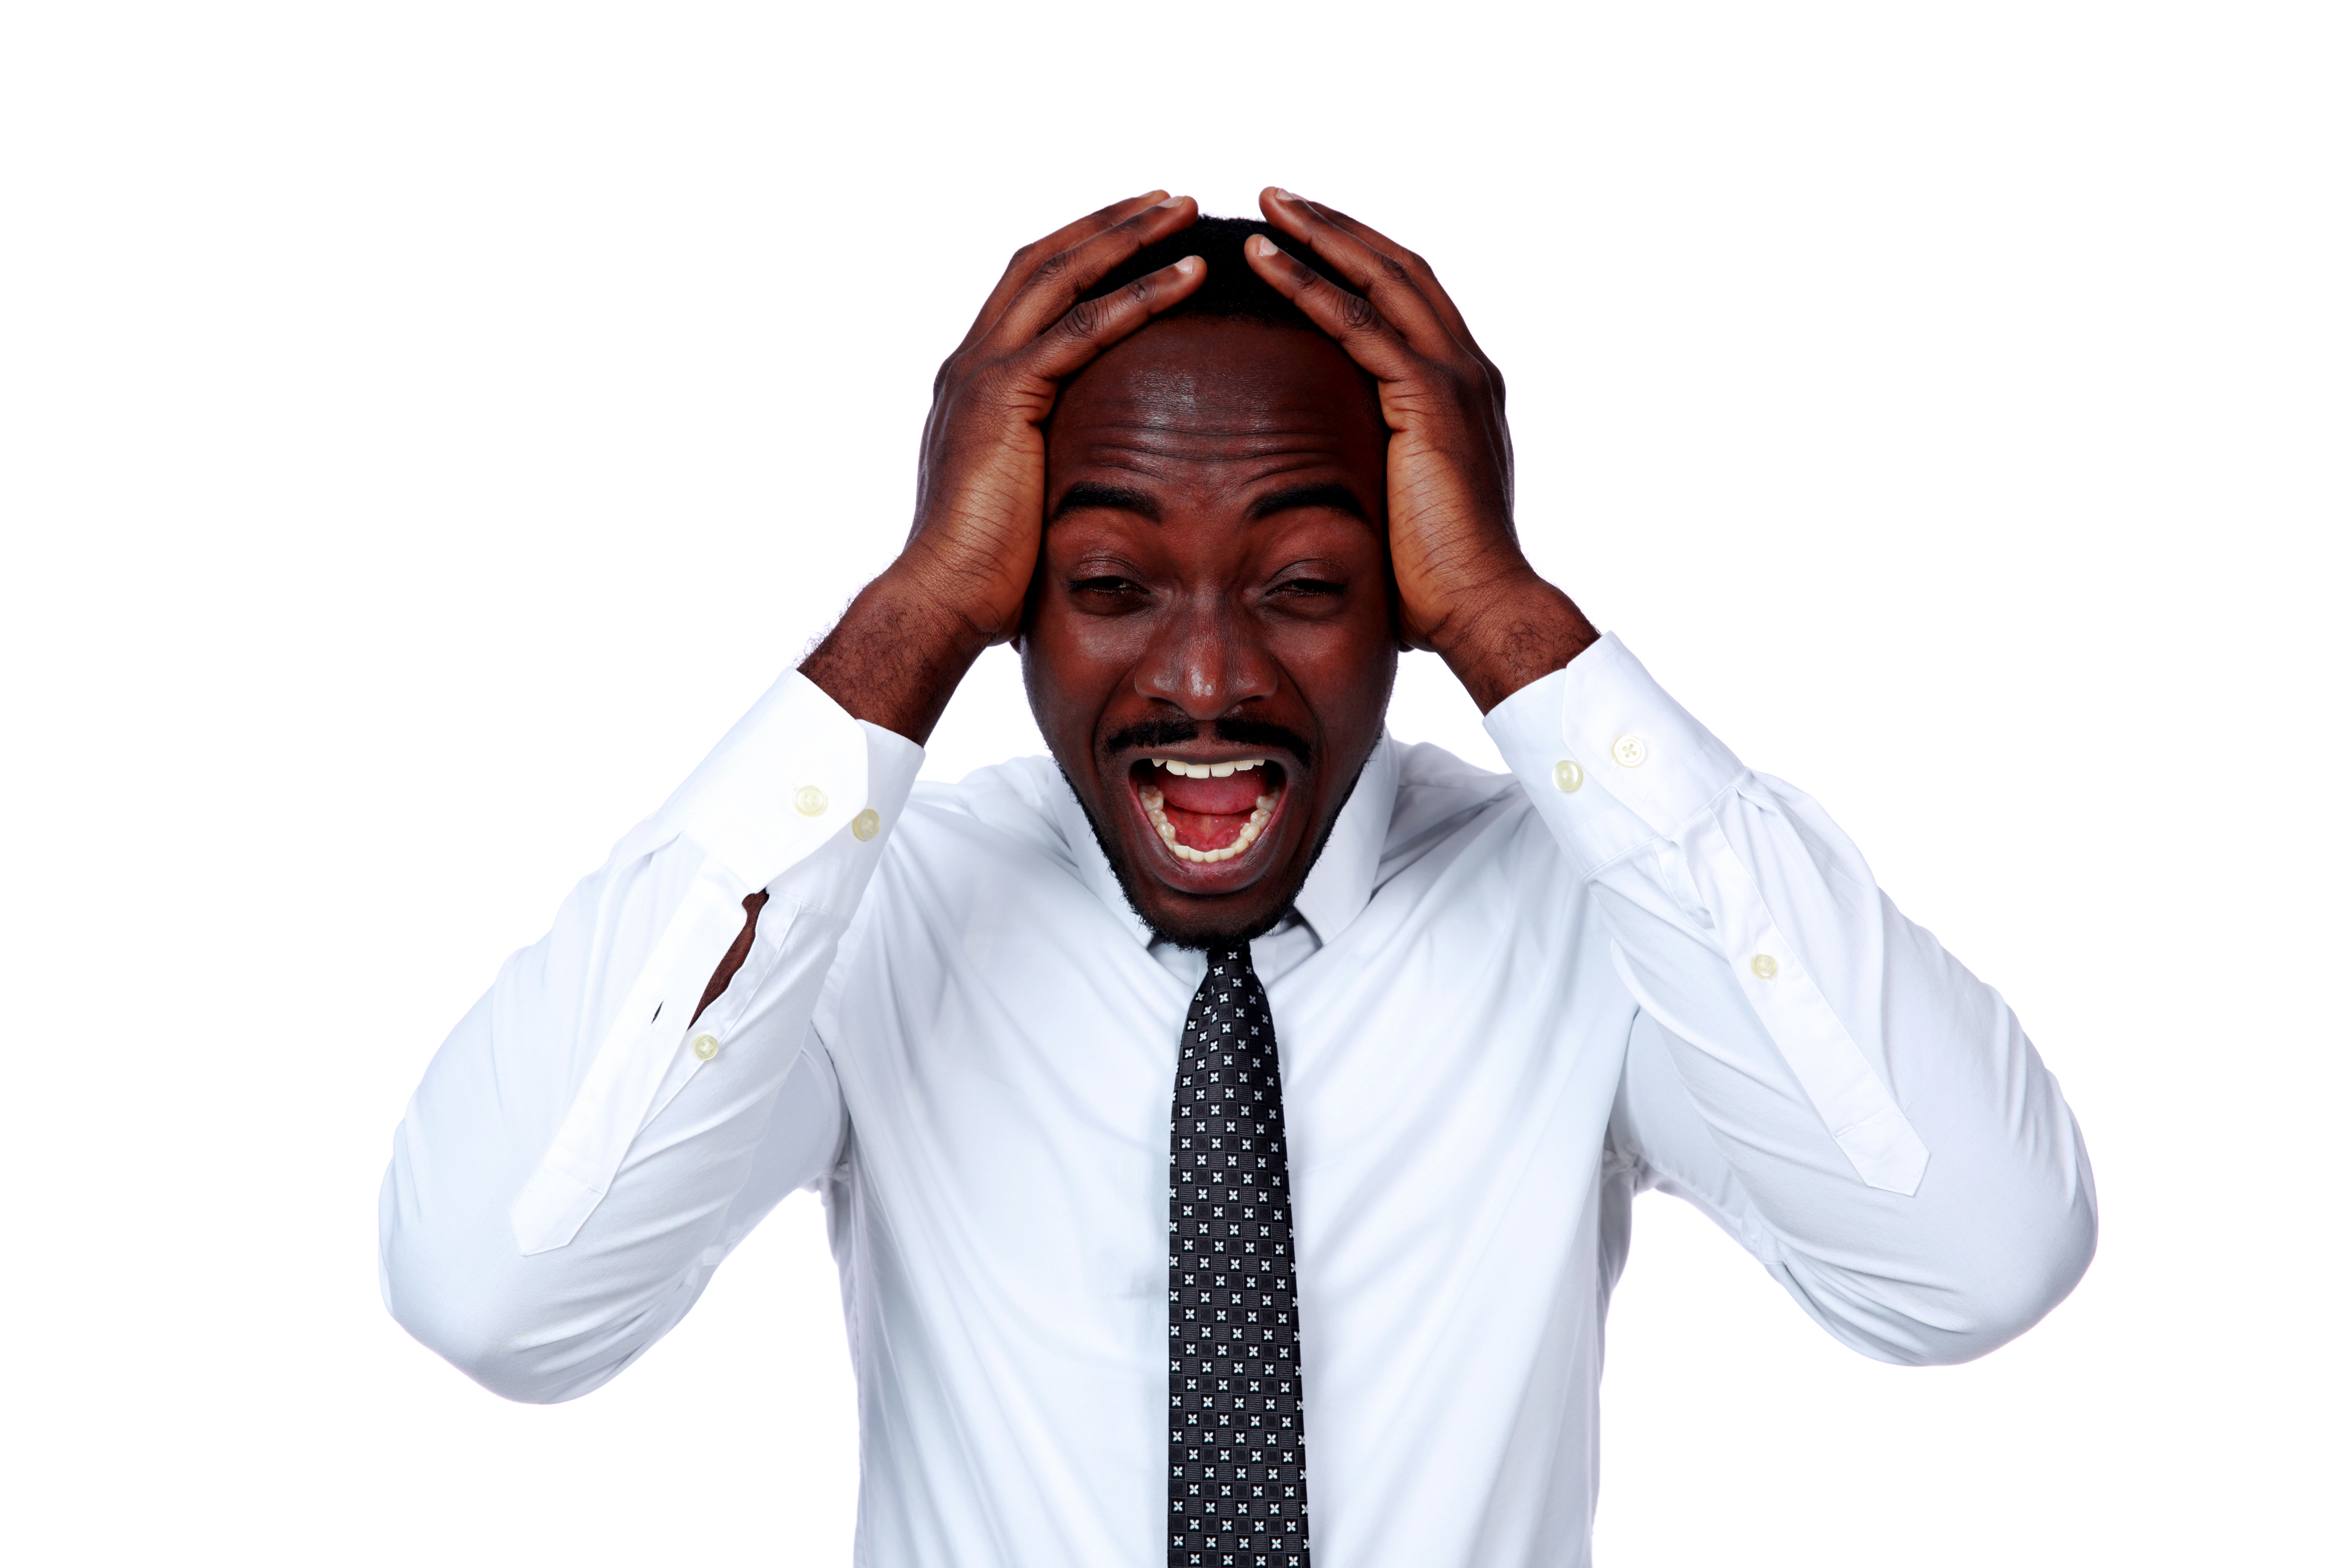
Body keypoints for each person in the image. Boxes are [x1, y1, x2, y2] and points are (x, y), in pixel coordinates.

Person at [380, 189, 2096, 1568]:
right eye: (1113, 582)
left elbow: (1978, 1257)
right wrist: (903, 623)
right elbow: (496, 1291)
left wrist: (1519, 628)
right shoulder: (872, 922)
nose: (1205, 682)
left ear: (1411, 595)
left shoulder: (1592, 913)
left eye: (1303, 584)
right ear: (1017, 603)